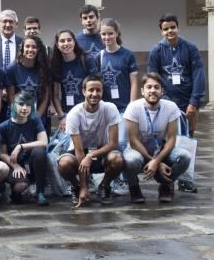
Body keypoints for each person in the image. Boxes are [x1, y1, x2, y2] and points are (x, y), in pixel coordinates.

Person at [147, 13, 205, 193]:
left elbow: (198, 74)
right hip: (165, 105)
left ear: (178, 28)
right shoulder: (156, 51)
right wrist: (159, 103)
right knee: (167, 142)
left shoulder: (190, 48)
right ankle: (169, 179)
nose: (170, 31)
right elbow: (153, 78)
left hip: (188, 103)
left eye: (172, 27)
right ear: (161, 31)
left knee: (188, 141)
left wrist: (194, 102)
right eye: (166, 29)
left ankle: (186, 180)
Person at [122, 72, 193, 204]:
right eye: (149, 87)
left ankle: (166, 184)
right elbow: (133, 141)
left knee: (185, 157)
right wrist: (156, 162)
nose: (153, 90)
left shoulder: (171, 107)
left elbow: (172, 139)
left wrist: (157, 160)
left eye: (156, 87)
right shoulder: (133, 107)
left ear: (162, 91)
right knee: (130, 160)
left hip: (160, 150)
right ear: (142, 91)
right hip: (138, 151)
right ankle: (134, 188)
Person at [57, 75, 124, 207]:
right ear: (84, 91)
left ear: (102, 91)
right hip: (80, 152)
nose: (94, 94)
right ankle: (77, 187)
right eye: (91, 90)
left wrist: (91, 155)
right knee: (64, 163)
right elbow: (79, 150)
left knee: (117, 159)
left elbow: (113, 143)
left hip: (102, 151)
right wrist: (83, 186)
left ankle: (104, 186)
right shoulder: (74, 114)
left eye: (98, 90)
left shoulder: (110, 108)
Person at [0, 91, 49, 205]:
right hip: (15, 165)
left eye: (28, 105)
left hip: (31, 163)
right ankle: (15, 192)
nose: (25, 108)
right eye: (21, 104)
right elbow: (2, 153)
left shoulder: (35, 121)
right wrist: (15, 165)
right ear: (14, 105)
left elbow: (44, 142)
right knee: (20, 187)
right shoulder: (3, 127)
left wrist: (20, 146)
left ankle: (40, 193)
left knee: (40, 152)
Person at [5, 36, 52, 129]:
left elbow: (46, 96)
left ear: (38, 49)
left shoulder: (44, 69)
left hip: (38, 116)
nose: (30, 50)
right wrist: (19, 116)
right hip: (17, 116)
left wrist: (37, 117)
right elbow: (11, 96)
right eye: (27, 46)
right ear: (22, 48)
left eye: (34, 47)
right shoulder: (12, 69)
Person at [50, 29, 97, 122]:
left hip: (88, 111)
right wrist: (62, 116)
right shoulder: (55, 64)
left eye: (69, 40)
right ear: (57, 45)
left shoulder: (86, 60)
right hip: (67, 113)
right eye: (62, 41)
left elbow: (96, 88)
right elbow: (55, 95)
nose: (66, 43)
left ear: (74, 42)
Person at [97, 18, 139, 116]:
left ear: (116, 33)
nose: (107, 37)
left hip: (124, 109)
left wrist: (131, 106)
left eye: (110, 33)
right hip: (105, 109)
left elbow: (134, 83)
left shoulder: (128, 55)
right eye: (103, 34)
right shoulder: (99, 56)